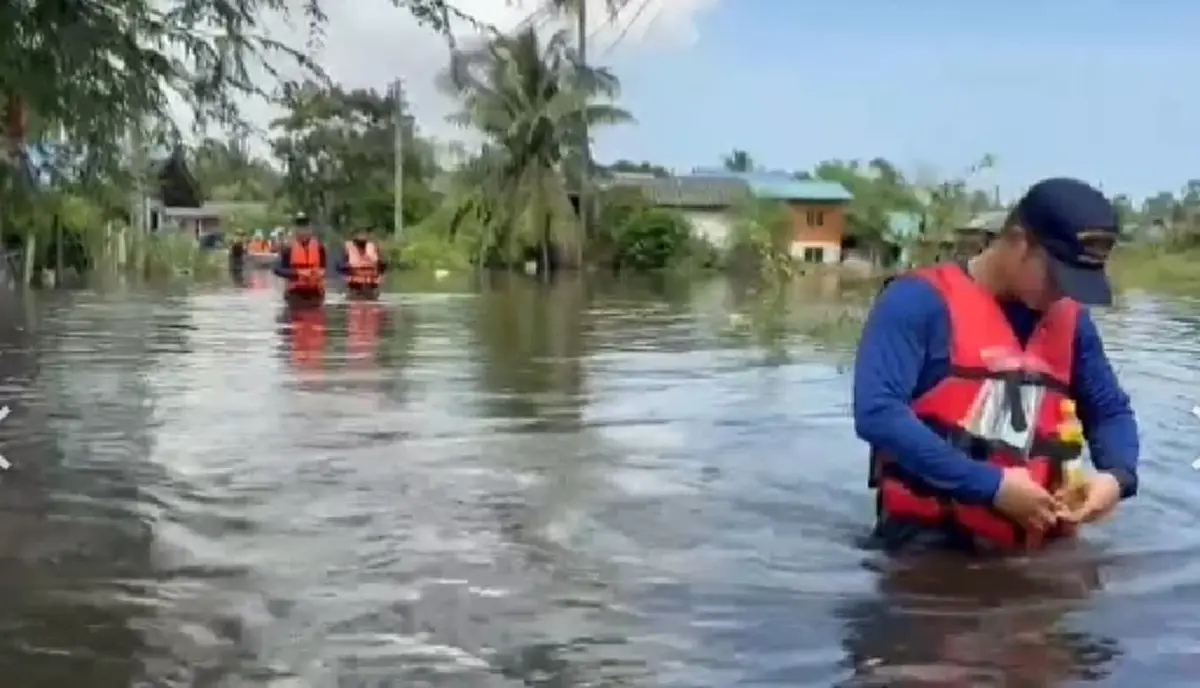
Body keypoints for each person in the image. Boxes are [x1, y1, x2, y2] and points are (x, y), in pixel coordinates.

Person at [853, 177, 1139, 554]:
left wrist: (1116, 478)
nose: (1064, 293)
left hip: (1038, 547)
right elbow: (878, 413)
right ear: (1019, 241)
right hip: (926, 553)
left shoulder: (1072, 322)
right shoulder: (916, 302)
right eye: (1057, 277)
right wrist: (992, 486)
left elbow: (1110, 411)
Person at [273, 212, 326, 306]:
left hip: (315, 294)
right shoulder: (288, 248)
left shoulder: (319, 247)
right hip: (294, 294)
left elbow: (324, 267)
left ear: (311, 229)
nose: (303, 231)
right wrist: (297, 273)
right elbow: (277, 269)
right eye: (300, 227)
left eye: (306, 227)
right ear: (295, 230)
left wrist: (319, 272)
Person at [336, 227, 387, 298]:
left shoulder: (373, 247)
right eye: (360, 235)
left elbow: (383, 264)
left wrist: (380, 273)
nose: (362, 237)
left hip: (371, 287)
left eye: (364, 235)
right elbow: (339, 266)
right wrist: (348, 268)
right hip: (355, 287)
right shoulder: (348, 248)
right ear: (354, 238)